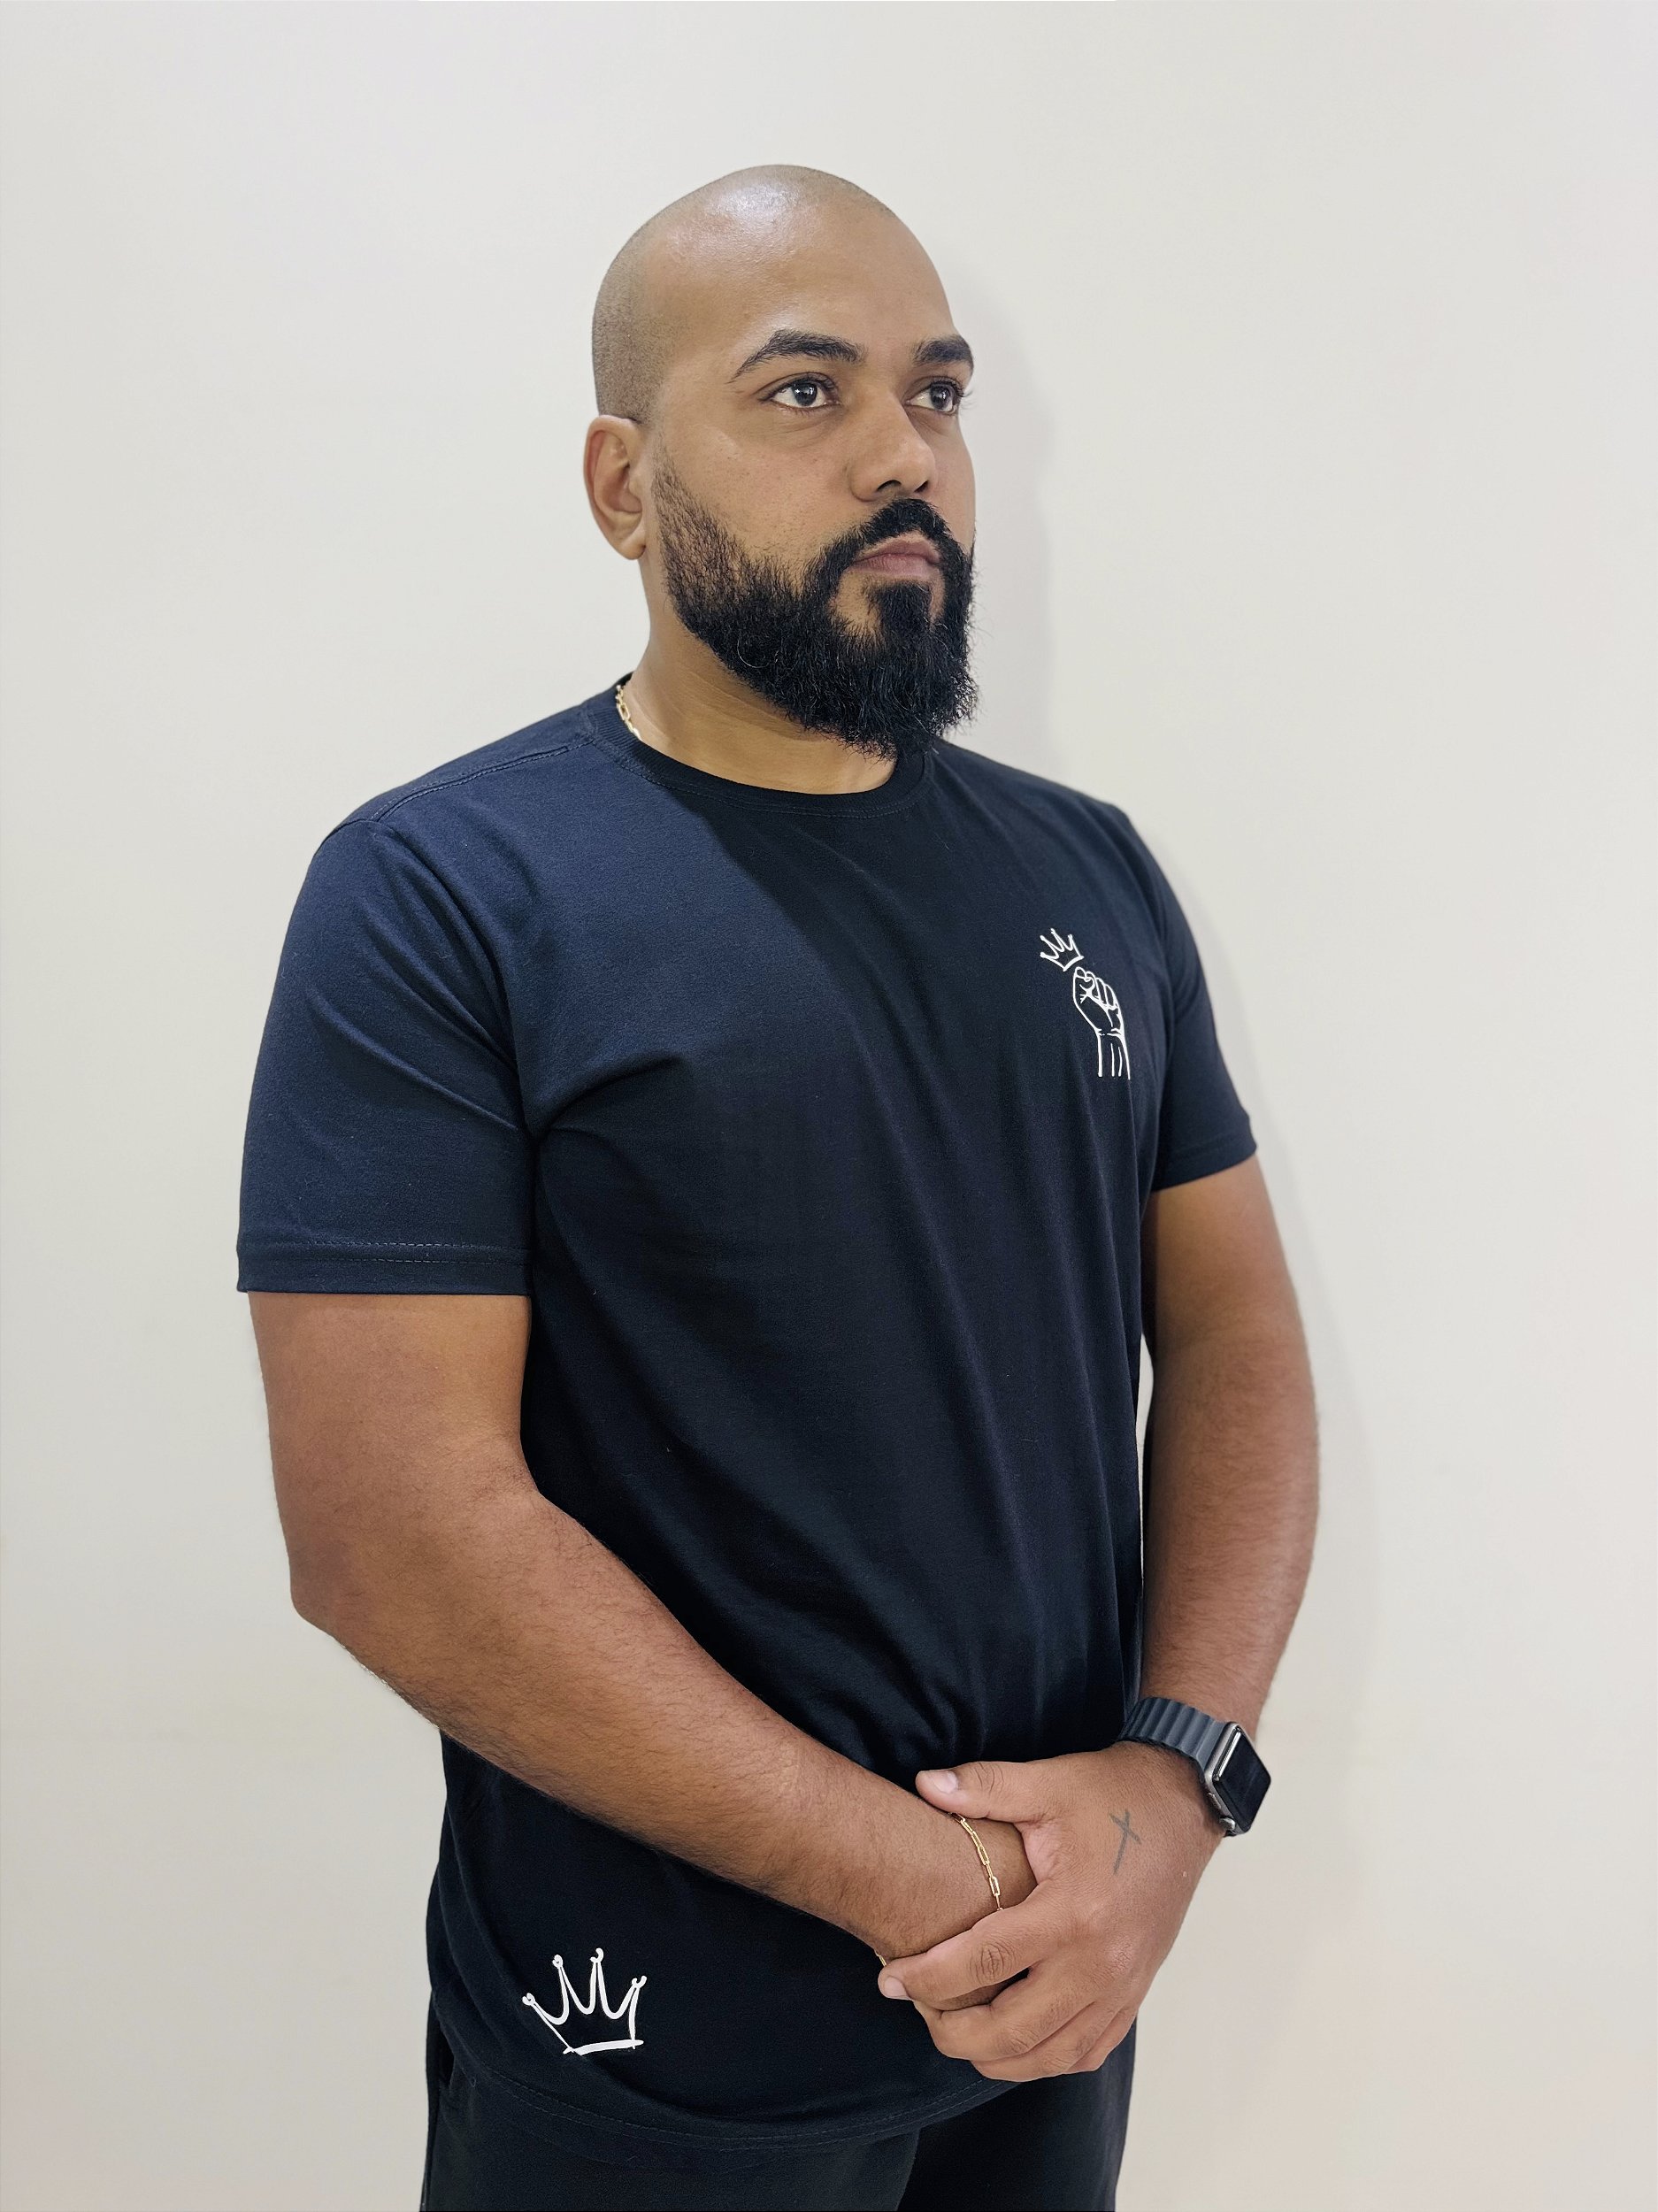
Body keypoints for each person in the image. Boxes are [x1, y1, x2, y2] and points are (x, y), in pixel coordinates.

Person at [236, 164, 1318, 2212]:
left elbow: (1235, 1331)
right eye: (804, 393)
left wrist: (1175, 1786)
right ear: (621, 485)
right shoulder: (447, 892)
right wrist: (934, 1880)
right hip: (649, 2044)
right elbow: (394, 1531)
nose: (904, 454)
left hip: (1051, 2012)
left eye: (937, 393)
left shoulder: (1086, 870)